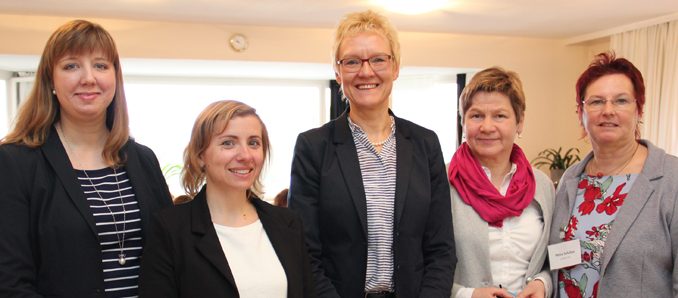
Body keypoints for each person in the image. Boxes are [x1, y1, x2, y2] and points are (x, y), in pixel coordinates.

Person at [288, 10, 455, 298]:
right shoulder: (314, 147)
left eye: (378, 59)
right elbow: (304, 253)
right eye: (352, 61)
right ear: (338, 72)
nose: (366, 72)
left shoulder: (425, 143)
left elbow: (441, 249)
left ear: (396, 67)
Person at [0, 20, 173, 297]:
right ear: (50, 80)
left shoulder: (143, 160)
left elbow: (171, 258)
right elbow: (9, 282)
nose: (88, 78)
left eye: (101, 65)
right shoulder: (15, 163)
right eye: (71, 66)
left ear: (115, 77)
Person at [139, 100, 315, 297]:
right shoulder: (170, 229)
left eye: (253, 143)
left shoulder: (288, 223)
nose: (245, 155)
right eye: (228, 143)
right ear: (200, 155)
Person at [549, 52, 678, 297]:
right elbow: (558, 262)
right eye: (596, 102)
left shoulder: (671, 180)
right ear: (581, 113)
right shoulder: (570, 179)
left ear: (639, 110)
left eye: (620, 101)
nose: (608, 111)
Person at [448, 67, 555, 298]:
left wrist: (542, 283)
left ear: (520, 122)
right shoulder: (441, 183)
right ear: (463, 122)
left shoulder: (542, 186)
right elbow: (421, 265)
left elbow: (552, 257)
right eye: (476, 115)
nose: (487, 127)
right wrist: (467, 295)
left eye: (500, 116)